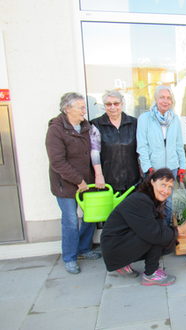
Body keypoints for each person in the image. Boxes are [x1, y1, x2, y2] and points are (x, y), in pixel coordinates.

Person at [100, 168, 186, 286]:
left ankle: (124, 264)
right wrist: (180, 229)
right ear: (152, 182)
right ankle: (150, 275)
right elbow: (155, 234)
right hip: (114, 248)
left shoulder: (149, 198)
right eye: (163, 185)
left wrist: (173, 233)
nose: (166, 190)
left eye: (169, 187)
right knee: (158, 236)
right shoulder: (141, 200)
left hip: (117, 243)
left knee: (163, 234)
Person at [45, 92, 102, 275]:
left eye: (84, 107)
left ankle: (84, 249)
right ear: (67, 108)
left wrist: (94, 178)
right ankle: (70, 257)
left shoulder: (86, 127)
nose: (84, 111)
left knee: (91, 216)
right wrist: (79, 181)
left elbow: (94, 153)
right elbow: (57, 162)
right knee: (70, 221)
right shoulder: (56, 129)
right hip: (65, 184)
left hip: (87, 183)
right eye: (81, 107)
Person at [136, 85, 186, 224]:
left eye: (168, 98)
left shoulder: (175, 119)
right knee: (153, 203)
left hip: (171, 168)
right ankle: (154, 234)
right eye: (162, 97)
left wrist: (182, 166)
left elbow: (179, 145)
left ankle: (166, 234)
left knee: (168, 203)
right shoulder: (145, 118)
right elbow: (142, 146)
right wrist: (148, 168)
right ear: (156, 99)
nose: (165, 101)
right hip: (154, 169)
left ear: (172, 101)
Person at [90, 90, 140, 192]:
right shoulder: (96, 124)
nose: (112, 107)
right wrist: (98, 175)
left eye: (116, 103)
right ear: (104, 106)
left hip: (133, 181)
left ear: (122, 104)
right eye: (108, 104)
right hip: (108, 180)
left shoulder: (134, 123)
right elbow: (94, 152)